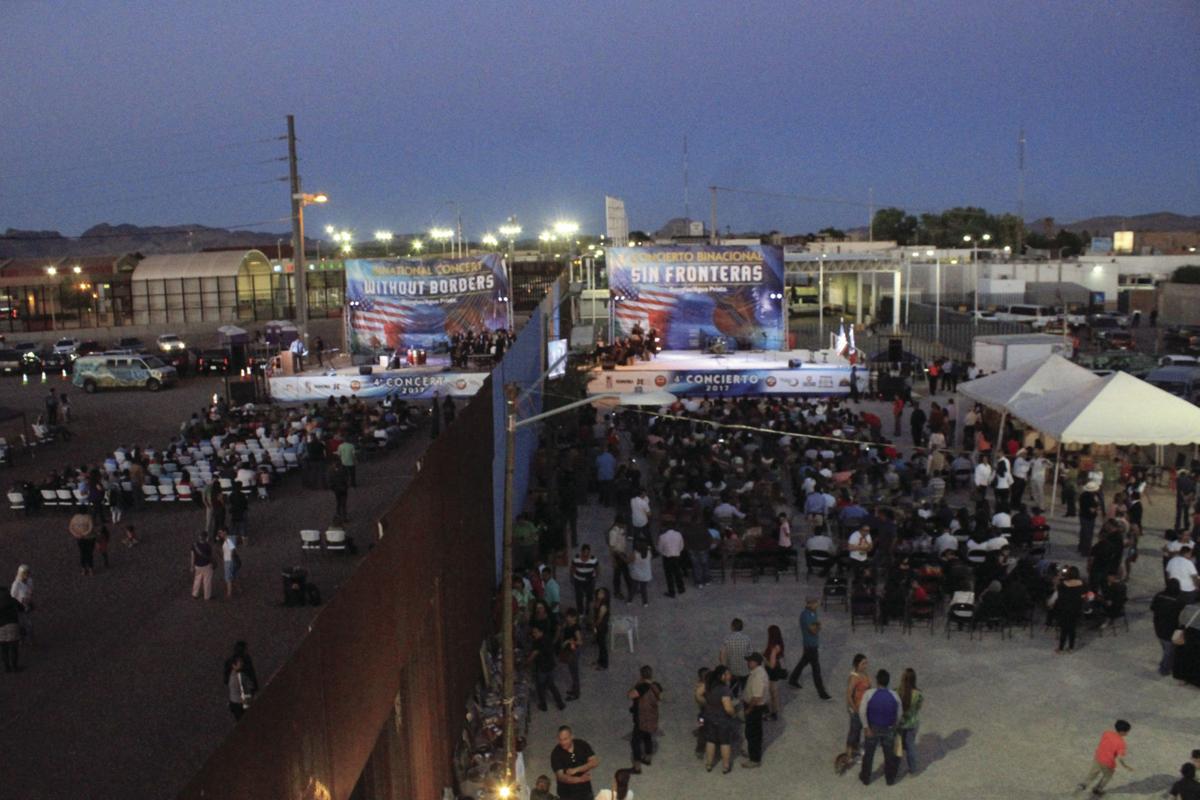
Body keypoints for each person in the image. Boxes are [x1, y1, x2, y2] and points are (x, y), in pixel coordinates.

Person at [858, 668, 902, 786]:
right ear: (888, 681)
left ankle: (865, 778)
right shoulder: (894, 695)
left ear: (877, 681)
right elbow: (899, 714)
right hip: (888, 728)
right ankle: (890, 779)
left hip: (873, 728)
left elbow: (862, 711)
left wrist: (866, 727)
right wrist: (895, 725)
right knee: (889, 755)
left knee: (869, 754)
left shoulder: (869, 694)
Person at [788, 596, 833, 699]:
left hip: (812, 644)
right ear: (810, 604)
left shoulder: (814, 613)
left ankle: (793, 679)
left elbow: (816, 626)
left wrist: (817, 627)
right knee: (816, 669)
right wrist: (817, 627)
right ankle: (822, 692)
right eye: (815, 603)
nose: (817, 604)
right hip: (810, 644)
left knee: (803, 662)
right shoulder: (806, 615)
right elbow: (813, 630)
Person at [1077, 720, 1133, 796]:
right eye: (1127, 732)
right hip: (1108, 763)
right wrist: (1126, 766)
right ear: (1122, 732)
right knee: (1107, 776)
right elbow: (1120, 758)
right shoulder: (1121, 743)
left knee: (1093, 772)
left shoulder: (1107, 733)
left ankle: (1084, 784)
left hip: (1098, 757)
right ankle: (1097, 789)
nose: (1127, 733)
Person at [702, 665, 737, 774]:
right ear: (722, 676)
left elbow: (698, 693)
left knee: (711, 741)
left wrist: (705, 703)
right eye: (728, 674)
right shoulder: (724, 689)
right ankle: (725, 766)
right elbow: (728, 707)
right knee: (724, 742)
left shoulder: (709, 685)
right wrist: (733, 713)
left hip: (709, 717)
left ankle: (709, 764)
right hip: (722, 720)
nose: (730, 675)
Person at [628, 665, 662, 772]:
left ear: (641, 675)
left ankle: (637, 766)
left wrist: (636, 684)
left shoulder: (641, 687)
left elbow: (630, 695)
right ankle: (648, 757)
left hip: (641, 717)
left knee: (635, 741)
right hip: (652, 716)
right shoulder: (656, 686)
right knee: (647, 736)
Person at [550, 725, 599, 800]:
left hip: (585, 792)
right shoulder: (556, 753)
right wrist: (580, 779)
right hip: (566, 794)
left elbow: (594, 762)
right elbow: (561, 777)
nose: (563, 742)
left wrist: (576, 770)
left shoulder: (582, 745)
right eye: (560, 740)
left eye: (565, 739)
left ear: (572, 737)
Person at [528, 624, 565, 712]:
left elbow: (533, 655)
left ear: (541, 632)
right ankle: (560, 703)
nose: (533, 634)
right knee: (552, 685)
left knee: (540, 687)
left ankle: (543, 705)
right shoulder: (547, 638)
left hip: (542, 668)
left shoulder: (538, 642)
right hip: (550, 666)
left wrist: (526, 663)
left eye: (535, 632)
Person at [741, 652, 769, 768]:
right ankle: (752, 752)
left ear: (755, 662)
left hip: (754, 708)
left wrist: (749, 709)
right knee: (753, 732)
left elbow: (756, 697)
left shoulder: (758, 676)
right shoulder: (758, 672)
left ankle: (754, 758)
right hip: (755, 707)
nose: (747, 663)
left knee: (752, 733)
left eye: (749, 661)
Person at [1153, 580, 1186, 676]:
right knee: (1170, 651)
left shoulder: (1159, 595)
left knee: (1165, 647)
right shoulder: (1180, 600)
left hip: (1158, 626)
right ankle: (1164, 669)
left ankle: (1165, 663)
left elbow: (1153, 608)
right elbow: (1182, 616)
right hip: (1173, 629)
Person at [844, 653, 871, 763]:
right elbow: (849, 695)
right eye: (863, 663)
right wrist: (855, 710)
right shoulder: (854, 678)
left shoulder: (864, 674)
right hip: (857, 709)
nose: (865, 665)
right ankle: (849, 755)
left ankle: (855, 749)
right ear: (857, 664)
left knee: (858, 729)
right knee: (854, 731)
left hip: (863, 708)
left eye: (866, 663)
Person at [1053, 565, 1085, 653]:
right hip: (1076, 608)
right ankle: (1071, 647)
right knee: (1072, 628)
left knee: (1064, 629)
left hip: (1065, 608)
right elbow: (1084, 595)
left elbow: (1058, 593)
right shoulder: (1082, 583)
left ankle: (1061, 648)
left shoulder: (1063, 585)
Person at [898, 668, 924, 776]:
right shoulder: (918, 694)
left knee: (898, 747)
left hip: (900, 724)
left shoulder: (898, 691)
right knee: (910, 747)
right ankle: (913, 769)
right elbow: (918, 708)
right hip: (912, 723)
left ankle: (897, 769)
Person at [719, 618, 751, 696]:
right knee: (746, 690)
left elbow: (722, 655)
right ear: (742, 627)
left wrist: (724, 668)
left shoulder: (727, 639)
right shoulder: (747, 639)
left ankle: (734, 704)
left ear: (732, 627)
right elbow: (749, 654)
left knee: (733, 690)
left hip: (732, 670)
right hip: (744, 670)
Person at [560, 607, 583, 701]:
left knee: (574, 672)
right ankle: (574, 689)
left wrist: (569, 641)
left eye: (569, 617)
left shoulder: (575, 628)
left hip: (573, 652)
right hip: (569, 651)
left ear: (574, 618)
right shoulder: (568, 625)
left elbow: (580, 642)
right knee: (572, 671)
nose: (567, 618)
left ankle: (576, 693)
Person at [657, 526, 686, 598]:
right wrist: (678, 551)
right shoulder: (678, 534)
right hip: (676, 555)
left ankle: (671, 591)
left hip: (667, 557)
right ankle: (681, 588)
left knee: (669, 575)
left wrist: (664, 553)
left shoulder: (662, 537)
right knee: (678, 573)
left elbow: (660, 548)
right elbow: (682, 546)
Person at [763, 625, 786, 720]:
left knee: (773, 693)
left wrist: (764, 659)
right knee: (774, 692)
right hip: (776, 671)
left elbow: (771, 665)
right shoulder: (779, 644)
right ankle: (773, 711)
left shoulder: (773, 648)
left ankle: (773, 712)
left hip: (771, 673)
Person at [571, 544, 599, 617]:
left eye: (588, 553)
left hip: (589, 581)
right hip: (578, 580)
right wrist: (573, 577)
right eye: (585, 553)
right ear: (582, 552)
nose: (586, 555)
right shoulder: (576, 559)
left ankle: (587, 612)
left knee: (589, 597)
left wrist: (595, 577)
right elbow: (572, 568)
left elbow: (597, 569)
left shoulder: (593, 560)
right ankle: (580, 612)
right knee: (579, 597)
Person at [0, 589, 22, 673]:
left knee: (3, 649)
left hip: (0, 627)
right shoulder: (11, 600)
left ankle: (7, 668)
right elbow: (21, 608)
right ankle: (15, 667)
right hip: (13, 624)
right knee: (14, 648)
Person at [227, 654, 254, 720]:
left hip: (236, 703)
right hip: (239, 705)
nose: (242, 664)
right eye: (240, 663)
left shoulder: (235, 675)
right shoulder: (236, 678)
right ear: (234, 665)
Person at [11, 565, 33, 643]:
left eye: (27, 573)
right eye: (25, 574)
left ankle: (29, 639)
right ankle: (21, 639)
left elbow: (30, 592)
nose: (27, 575)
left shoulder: (30, 581)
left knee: (29, 624)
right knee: (20, 624)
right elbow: (13, 597)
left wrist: (29, 600)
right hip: (19, 607)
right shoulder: (16, 584)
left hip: (27, 607)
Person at [191, 532, 215, 600]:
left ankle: (195, 594)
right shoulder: (208, 546)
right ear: (206, 538)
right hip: (206, 565)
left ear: (199, 537)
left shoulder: (194, 545)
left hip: (197, 566)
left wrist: (192, 566)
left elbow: (192, 557)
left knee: (197, 580)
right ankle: (207, 596)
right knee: (207, 581)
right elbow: (210, 557)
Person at [628, 542, 652, 606]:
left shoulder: (635, 554)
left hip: (636, 574)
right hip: (646, 575)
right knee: (643, 589)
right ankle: (645, 602)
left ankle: (629, 601)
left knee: (633, 588)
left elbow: (628, 561)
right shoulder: (649, 553)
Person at [592, 587, 610, 670]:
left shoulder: (603, 606)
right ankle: (600, 661)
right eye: (599, 592)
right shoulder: (598, 602)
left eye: (602, 593)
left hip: (601, 627)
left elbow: (600, 619)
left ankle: (604, 664)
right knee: (600, 645)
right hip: (599, 626)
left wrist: (595, 626)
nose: (599, 594)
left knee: (602, 646)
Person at [222, 531, 241, 598]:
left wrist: (231, 558)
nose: (220, 534)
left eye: (221, 532)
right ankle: (239, 589)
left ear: (225, 532)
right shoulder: (230, 539)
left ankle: (229, 594)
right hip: (230, 561)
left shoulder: (228, 540)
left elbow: (232, 550)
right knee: (234, 576)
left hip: (228, 561)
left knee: (228, 578)